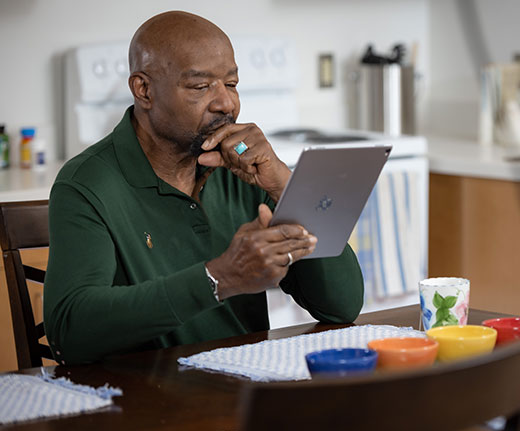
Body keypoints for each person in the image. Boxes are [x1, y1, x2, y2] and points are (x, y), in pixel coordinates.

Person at [44, 11, 364, 365]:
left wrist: (283, 185)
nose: (226, 103)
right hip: (146, 403)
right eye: (200, 86)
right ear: (144, 90)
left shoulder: (244, 169)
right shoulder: (87, 183)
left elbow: (343, 306)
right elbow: (69, 334)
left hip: (248, 389)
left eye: (231, 84)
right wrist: (219, 277)